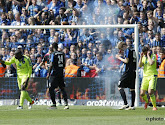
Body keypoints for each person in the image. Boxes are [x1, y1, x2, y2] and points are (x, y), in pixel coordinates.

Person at [46, 42, 69, 109]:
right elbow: (64, 62)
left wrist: (48, 73)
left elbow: (51, 64)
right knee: (62, 88)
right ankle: (66, 104)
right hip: (61, 72)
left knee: (51, 88)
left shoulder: (53, 54)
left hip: (54, 73)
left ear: (53, 47)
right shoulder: (62, 53)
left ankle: (54, 104)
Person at [116, 42, 136, 110]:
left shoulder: (127, 50)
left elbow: (127, 61)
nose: (121, 50)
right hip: (133, 71)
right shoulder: (133, 50)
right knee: (132, 88)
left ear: (124, 46)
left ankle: (126, 104)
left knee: (119, 86)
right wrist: (123, 65)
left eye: (121, 48)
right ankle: (132, 106)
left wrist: (119, 58)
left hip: (128, 71)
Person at [139, 46, 158, 111]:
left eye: (145, 53)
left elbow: (151, 63)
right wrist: (141, 57)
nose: (144, 54)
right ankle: (147, 101)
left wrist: (148, 55)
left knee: (150, 92)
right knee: (142, 93)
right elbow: (140, 65)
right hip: (145, 76)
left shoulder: (153, 56)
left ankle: (154, 106)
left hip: (152, 75)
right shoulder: (143, 57)